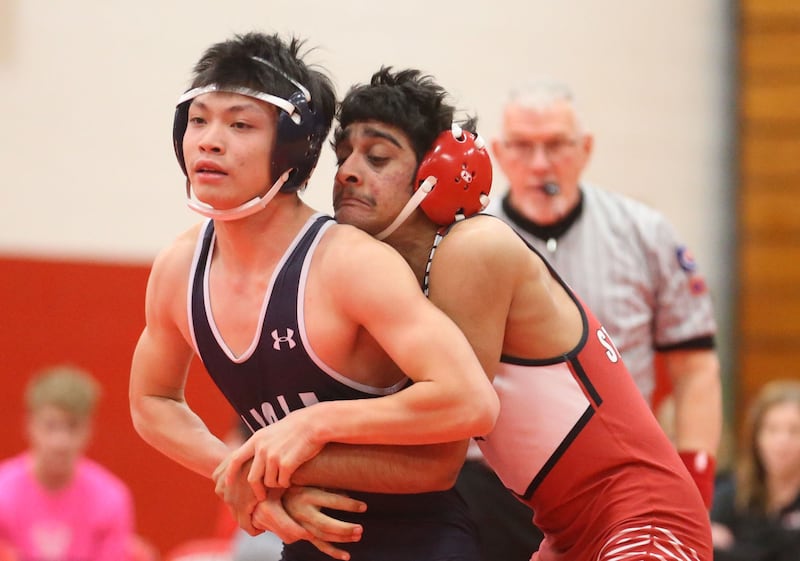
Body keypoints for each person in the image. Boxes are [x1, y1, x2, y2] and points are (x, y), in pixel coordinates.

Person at [230, 67, 714, 561]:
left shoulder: (474, 248)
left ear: (433, 175)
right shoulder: (390, 280)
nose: (349, 171)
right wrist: (276, 473)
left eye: (377, 157)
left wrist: (301, 439)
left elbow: (438, 449)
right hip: (566, 535)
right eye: (343, 156)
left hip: (643, 518)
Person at [128, 32, 499, 561]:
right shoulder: (177, 270)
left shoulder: (347, 263)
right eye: (198, 119)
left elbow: (472, 401)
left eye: (239, 124)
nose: (209, 140)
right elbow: (152, 401)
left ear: (292, 146)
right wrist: (241, 478)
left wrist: (314, 423)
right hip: (306, 538)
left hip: (416, 539)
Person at [445, 77, 722, 560]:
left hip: (614, 482)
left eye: (555, 145)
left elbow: (696, 369)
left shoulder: (644, 233)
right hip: (491, 486)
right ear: (499, 154)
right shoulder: (463, 243)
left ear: (586, 148)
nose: (539, 163)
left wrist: (696, 483)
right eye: (522, 146)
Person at [0, 365, 135, 561]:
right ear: (30, 425)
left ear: (89, 430)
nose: (60, 441)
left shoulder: (111, 498)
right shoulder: (2, 492)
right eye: (50, 425)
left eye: (72, 426)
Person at [711, 380, 800, 561]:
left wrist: (734, 549)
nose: (782, 441)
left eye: (794, 430)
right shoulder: (732, 493)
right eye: (772, 430)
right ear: (756, 437)